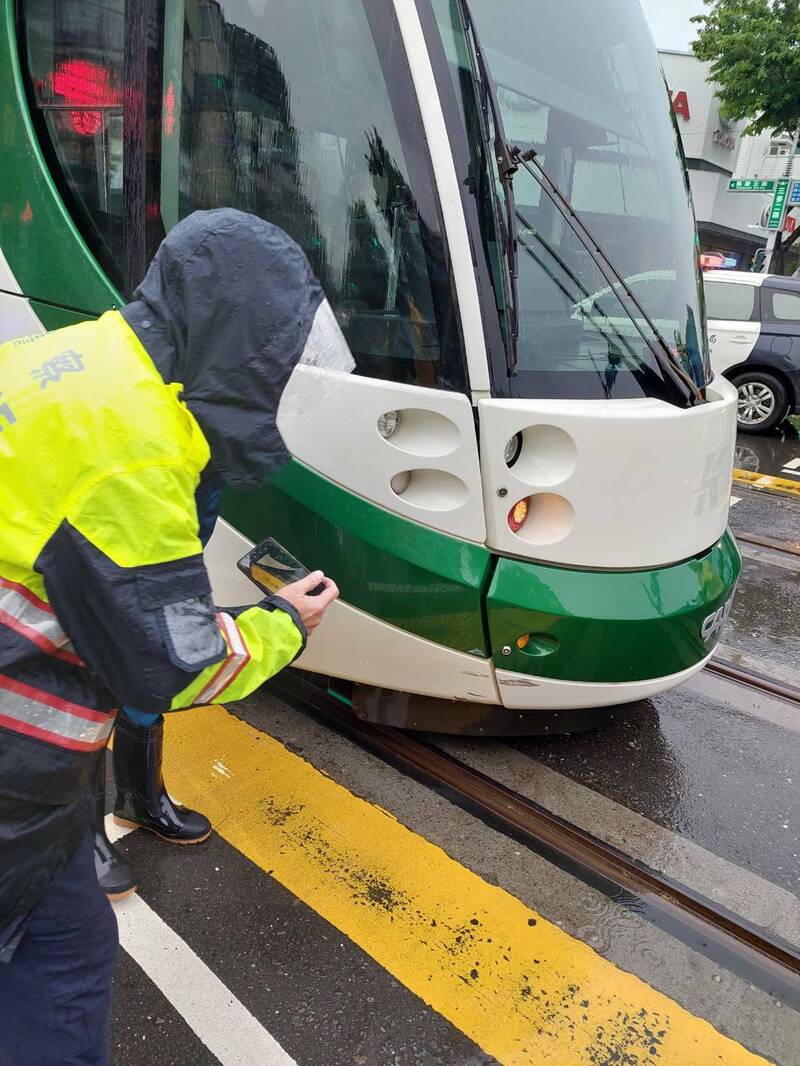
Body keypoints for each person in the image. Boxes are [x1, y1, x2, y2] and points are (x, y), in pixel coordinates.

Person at [0, 209, 347, 1066]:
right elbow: (170, 665)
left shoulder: (57, 359)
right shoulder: (131, 442)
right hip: (15, 758)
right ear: (239, 331)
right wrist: (281, 626)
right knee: (66, 965)